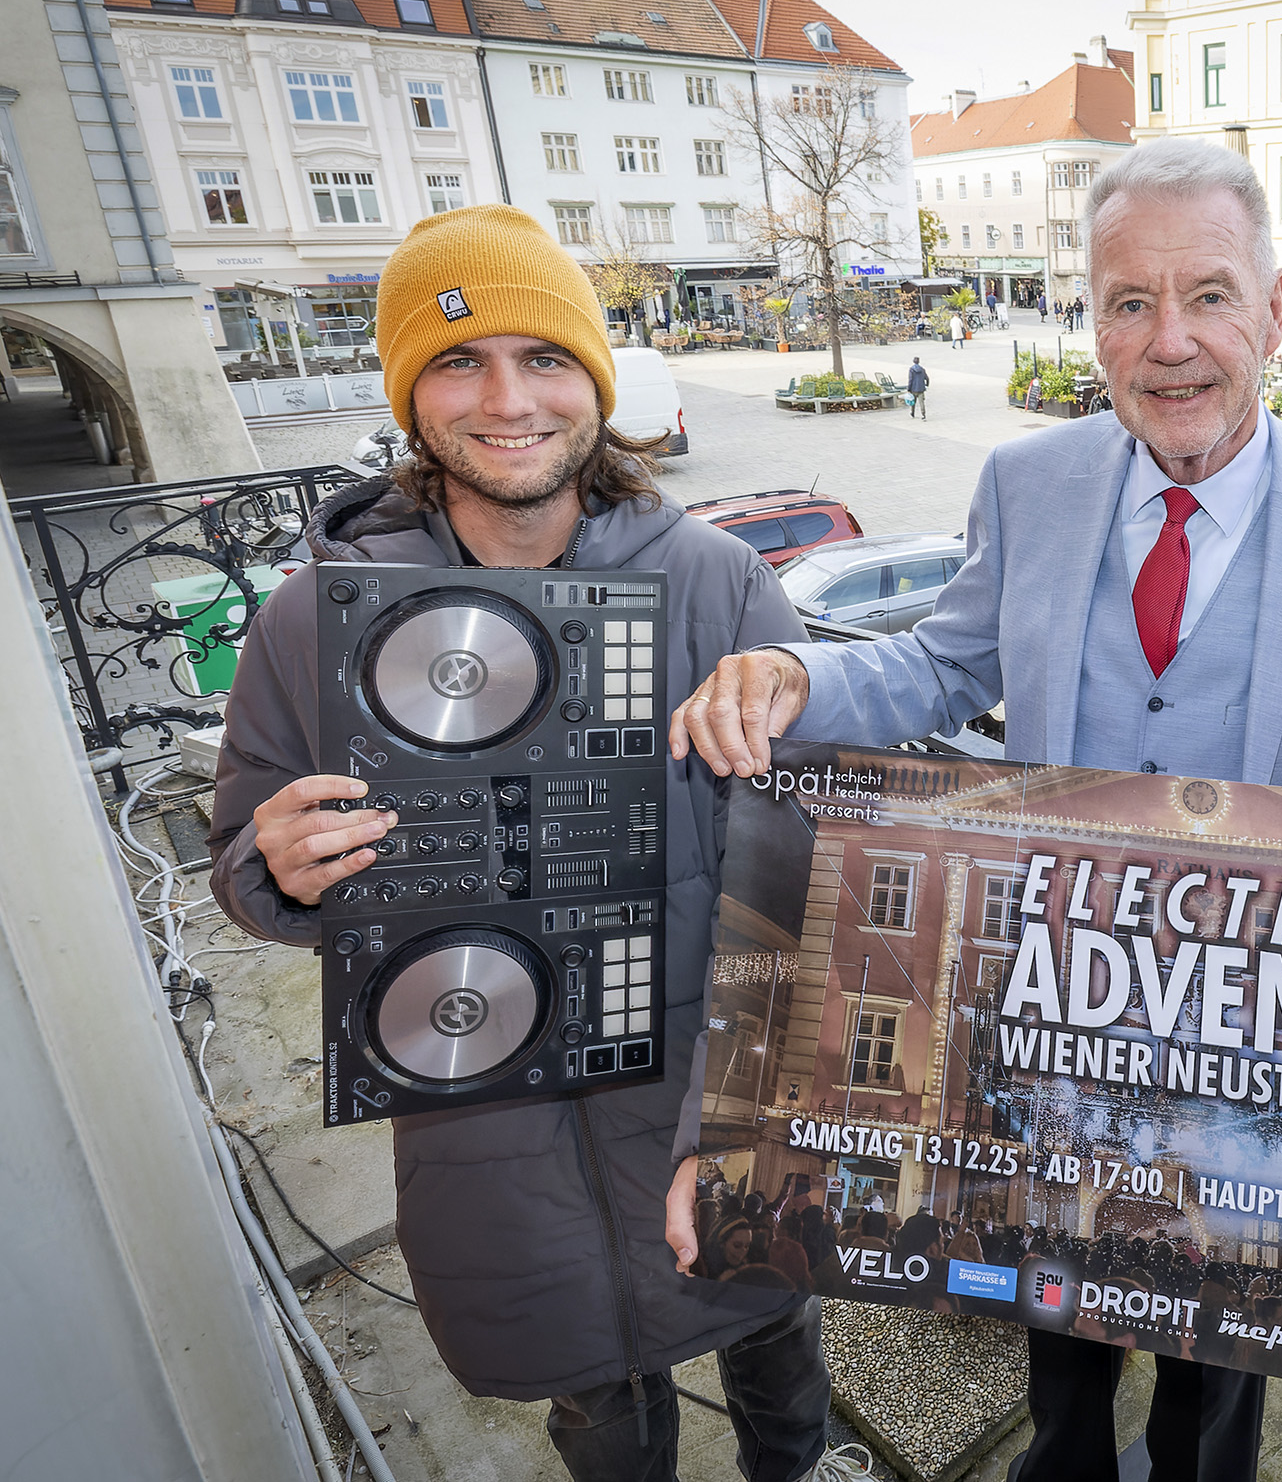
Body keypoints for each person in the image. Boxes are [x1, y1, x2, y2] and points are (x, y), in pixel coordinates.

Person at [669, 134, 1282, 1482]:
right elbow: (936, 663)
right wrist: (798, 671)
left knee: (1224, 1352)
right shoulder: (1026, 486)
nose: (1171, 341)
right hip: (1051, 1002)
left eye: (1208, 295)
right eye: (1127, 302)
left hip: (1251, 1037)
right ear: (1088, 318)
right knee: (1054, 1306)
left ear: (1270, 305)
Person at [205, 204, 840, 1482]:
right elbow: (245, 851)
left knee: (777, 1357)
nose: (509, 399)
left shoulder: (713, 578)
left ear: (596, 385)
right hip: (492, 1142)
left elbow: (820, 840)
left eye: (545, 357)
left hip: (705, 1103)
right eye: (458, 359)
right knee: (598, 1417)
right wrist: (272, 867)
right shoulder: (307, 625)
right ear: (408, 394)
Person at [907, 355, 930, 420]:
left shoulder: (911, 369)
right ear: (919, 362)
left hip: (913, 388)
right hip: (921, 388)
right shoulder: (922, 369)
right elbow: (927, 378)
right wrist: (926, 385)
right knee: (921, 402)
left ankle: (912, 413)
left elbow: (910, 379)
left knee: (913, 402)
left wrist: (909, 388)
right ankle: (923, 414)